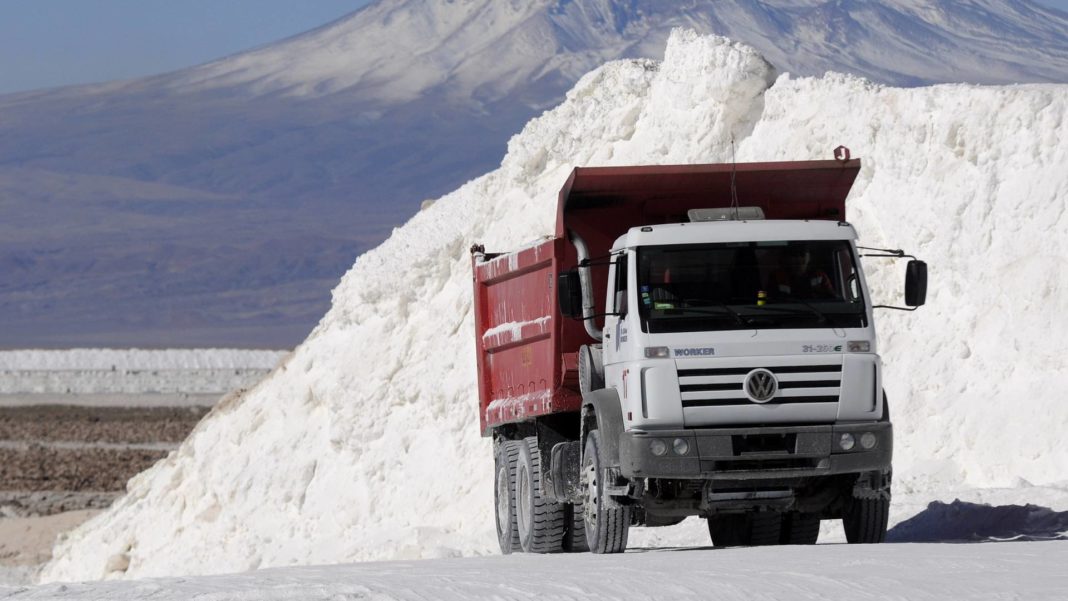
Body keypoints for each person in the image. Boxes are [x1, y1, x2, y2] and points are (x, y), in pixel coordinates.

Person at [771, 245, 835, 299]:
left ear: (809, 257)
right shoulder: (777, 276)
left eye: (802, 254)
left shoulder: (819, 275)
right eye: (794, 255)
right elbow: (764, 301)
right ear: (787, 258)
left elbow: (832, 298)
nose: (798, 259)